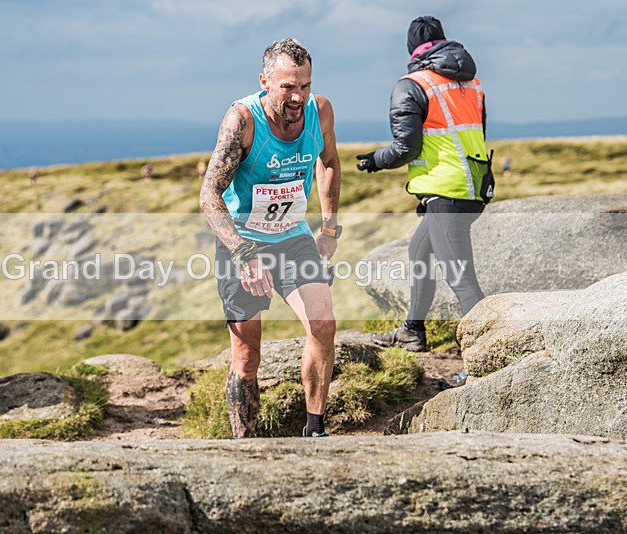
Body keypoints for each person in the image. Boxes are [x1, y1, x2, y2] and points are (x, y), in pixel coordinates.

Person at [200, 38, 342, 438]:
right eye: (287, 87)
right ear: (265, 81)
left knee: (323, 323)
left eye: (304, 86)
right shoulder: (242, 121)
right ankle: (246, 446)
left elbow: (329, 163)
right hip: (242, 241)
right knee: (247, 354)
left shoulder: (320, 111)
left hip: (293, 237)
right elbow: (209, 194)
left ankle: (315, 429)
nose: (297, 97)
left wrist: (329, 227)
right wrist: (244, 255)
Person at [356, 16, 493, 352]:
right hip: (473, 185)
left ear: (411, 48)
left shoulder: (411, 85)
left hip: (446, 192)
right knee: (419, 252)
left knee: (462, 282)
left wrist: (377, 160)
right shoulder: (472, 83)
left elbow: (406, 146)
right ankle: (411, 331)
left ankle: (488, 357)